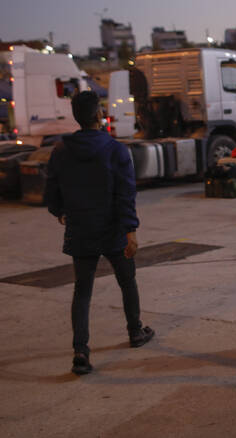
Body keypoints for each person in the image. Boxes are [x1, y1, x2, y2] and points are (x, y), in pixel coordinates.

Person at [44, 91, 155, 376]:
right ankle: (135, 332)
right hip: (113, 228)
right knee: (127, 281)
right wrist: (131, 231)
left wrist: (60, 211)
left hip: (80, 229)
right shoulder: (115, 150)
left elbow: (51, 191)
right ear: (98, 115)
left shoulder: (60, 151)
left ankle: (80, 351)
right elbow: (125, 194)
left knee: (82, 291)